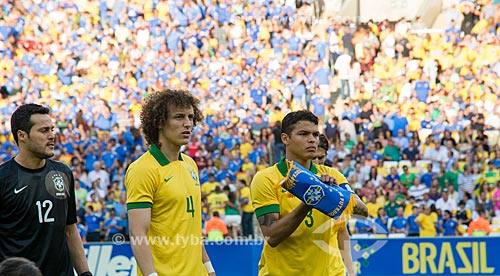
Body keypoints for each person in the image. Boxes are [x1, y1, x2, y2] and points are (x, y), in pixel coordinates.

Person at [251, 110, 367, 276]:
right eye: (303, 134)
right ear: (285, 139)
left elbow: (363, 212)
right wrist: (310, 199)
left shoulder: (333, 175)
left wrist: (333, 193)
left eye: (315, 134)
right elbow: (271, 236)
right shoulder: (266, 179)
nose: (312, 139)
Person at [125, 90, 215, 276]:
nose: (188, 123)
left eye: (191, 117)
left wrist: (209, 269)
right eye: (179, 117)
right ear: (159, 122)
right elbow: (138, 234)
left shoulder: (190, 164)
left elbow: (193, 227)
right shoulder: (142, 169)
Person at [0, 104, 91, 276]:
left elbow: (70, 230)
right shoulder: (4, 179)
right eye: (44, 131)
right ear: (22, 136)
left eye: (52, 129)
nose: (52, 136)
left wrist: (85, 274)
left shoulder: (63, 173)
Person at [312, 133, 356, 276]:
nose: (317, 162)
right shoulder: (291, 181)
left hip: (332, 269)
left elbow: (342, 231)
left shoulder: (335, 178)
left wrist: (351, 270)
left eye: (321, 157)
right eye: (314, 158)